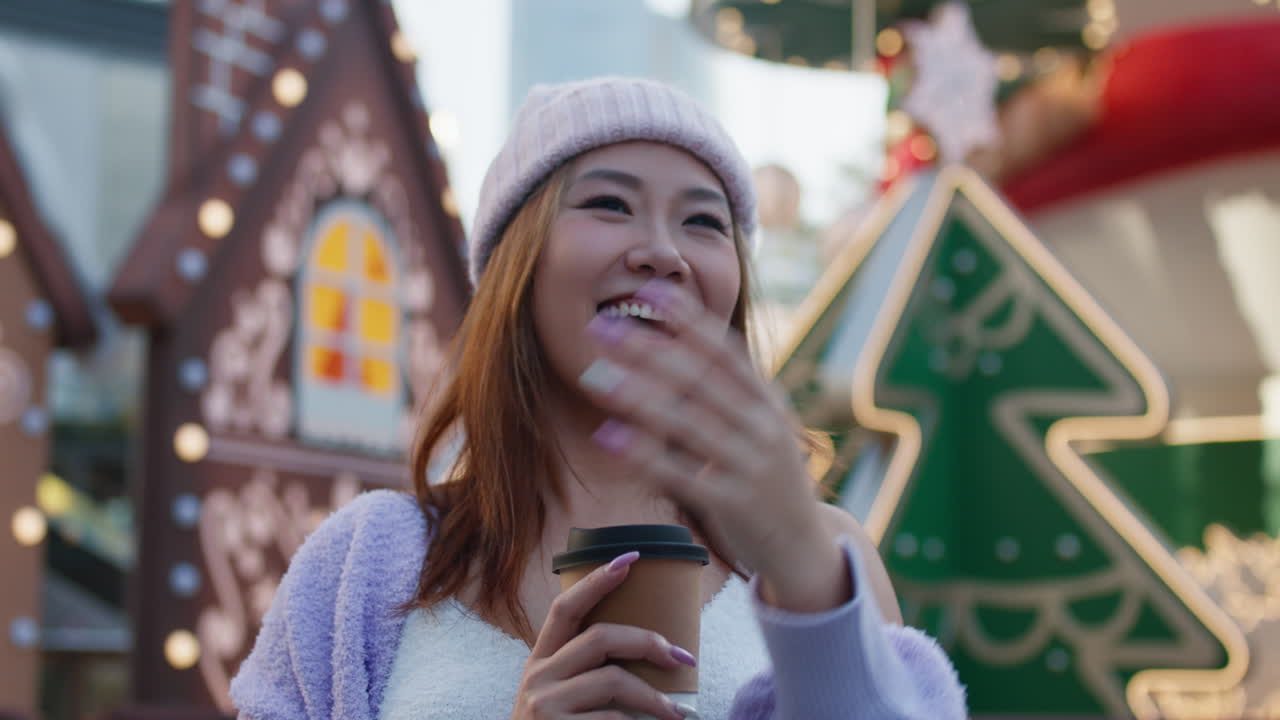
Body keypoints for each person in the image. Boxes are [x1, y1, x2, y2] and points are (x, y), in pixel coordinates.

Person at [229, 77, 966, 720]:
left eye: (704, 221)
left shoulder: (827, 561)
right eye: (610, 204)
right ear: (517, 271)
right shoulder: (369, 563)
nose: (662, 252)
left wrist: (809, 594)